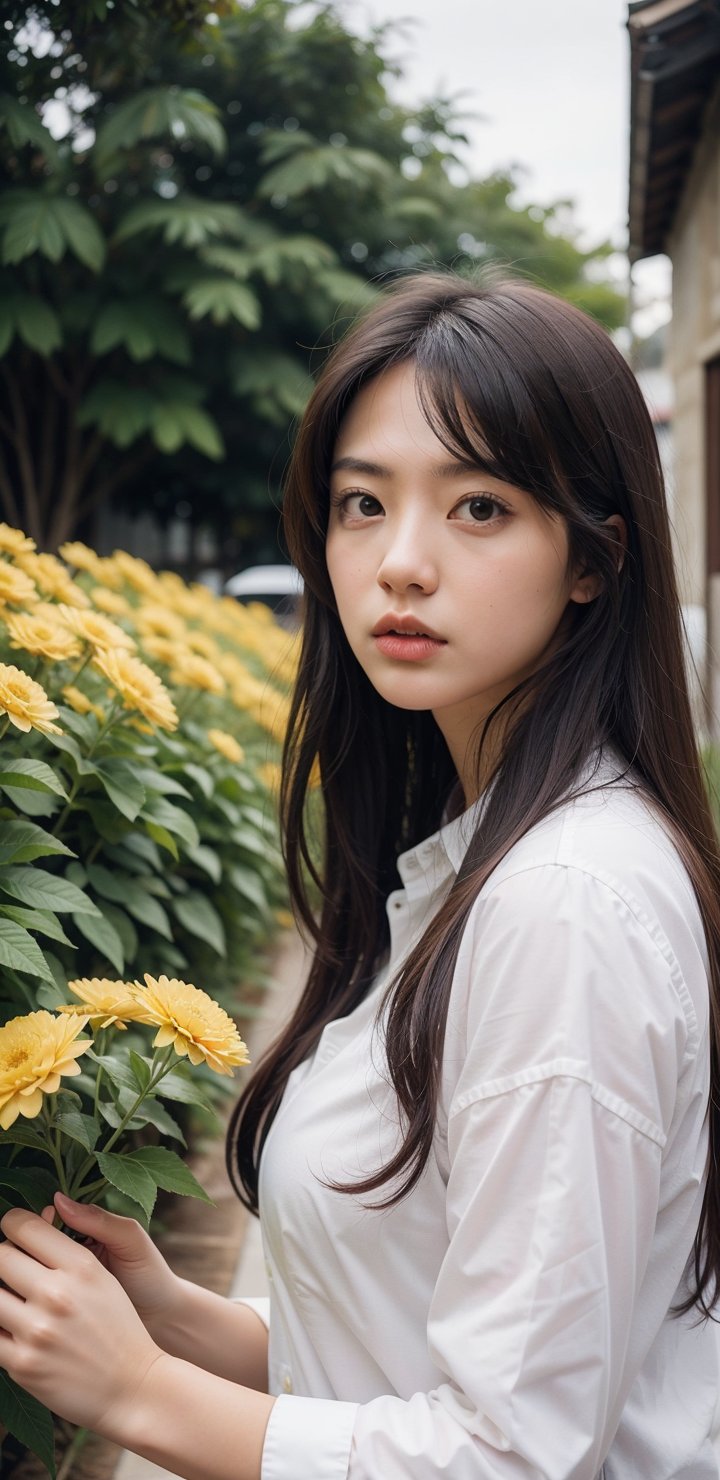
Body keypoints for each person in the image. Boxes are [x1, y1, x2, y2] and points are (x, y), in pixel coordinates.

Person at [1, 271, 720, 1479]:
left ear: (594, 559)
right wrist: (181, 1320)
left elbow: (514, 1453)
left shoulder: (564, 904)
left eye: (479, 506)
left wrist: (140, 1393)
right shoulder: (470, 855)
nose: (401, 562)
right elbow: (424, 1330)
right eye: (360, 503)